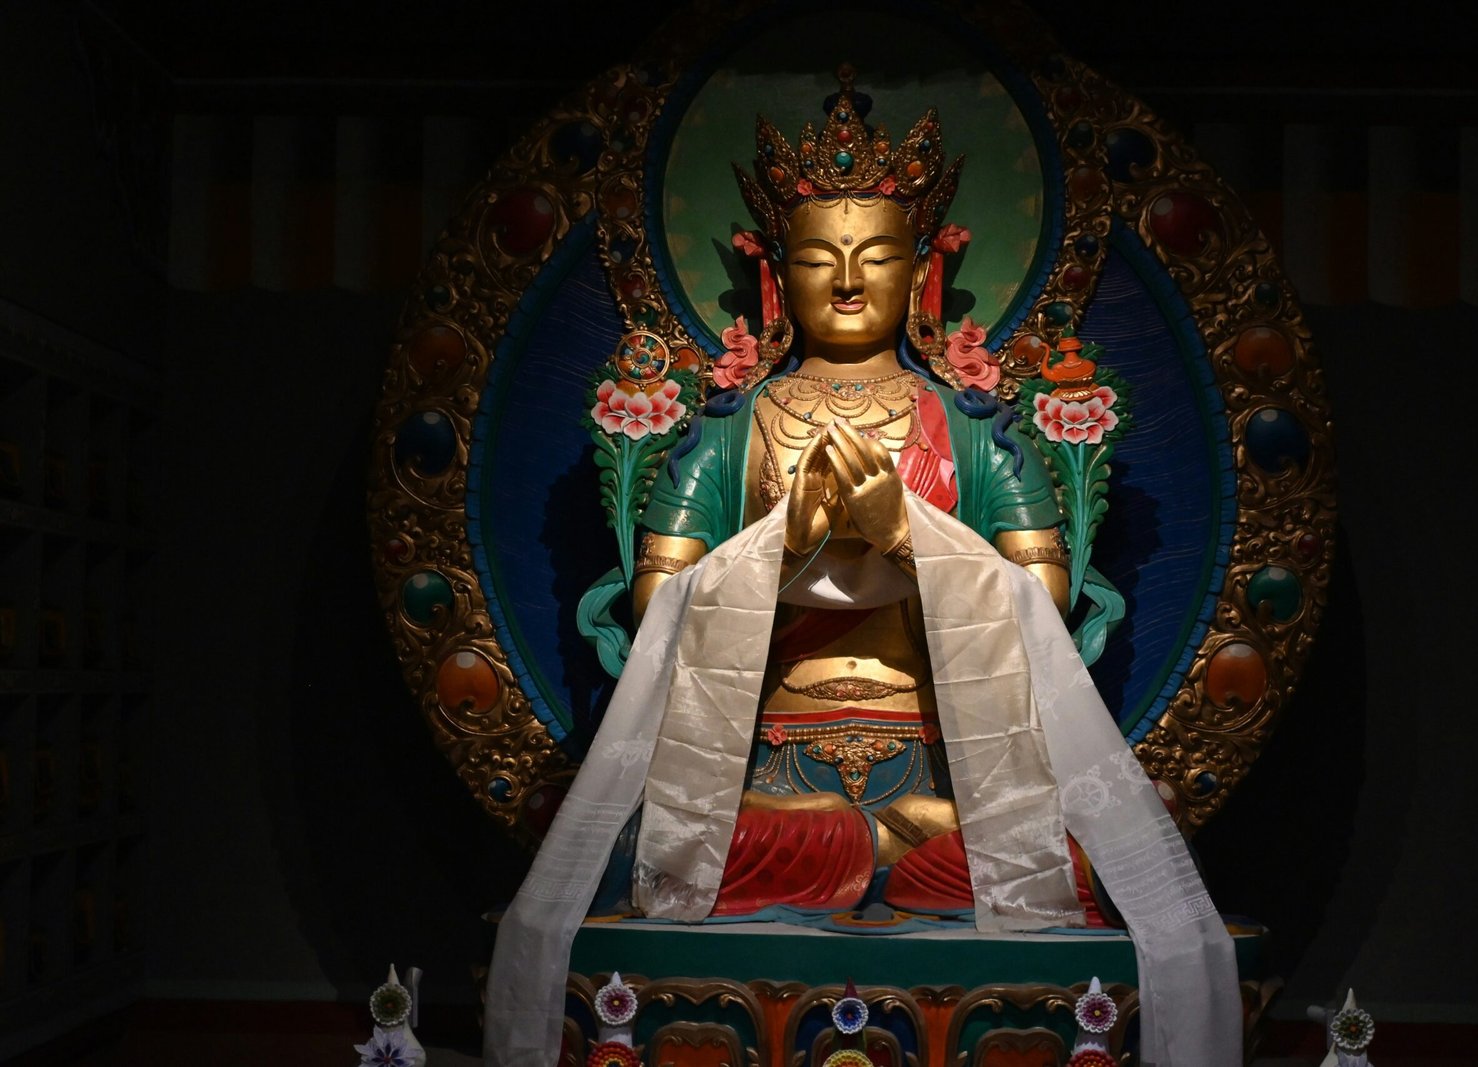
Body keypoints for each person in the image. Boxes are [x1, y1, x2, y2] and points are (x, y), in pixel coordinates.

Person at [486, 75, 1240, 1067]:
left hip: (947, 765)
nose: (847, 280)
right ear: (778, 278)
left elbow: (1042, 601)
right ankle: (870, 844)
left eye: (877, 256)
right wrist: (782, 548)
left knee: (1065, 859)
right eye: (817, 258)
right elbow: (659, 603)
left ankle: (870, 842)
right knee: (669, 855)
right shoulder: (729, 432)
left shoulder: (975, 433)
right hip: (761, 772)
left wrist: (910, 535)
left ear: (919, 273)